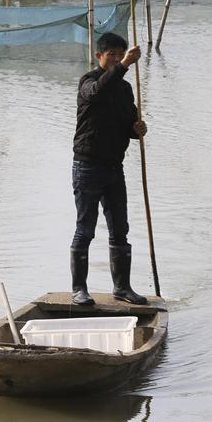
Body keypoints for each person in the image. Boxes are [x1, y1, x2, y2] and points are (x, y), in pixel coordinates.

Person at [70, 32, 148, 306]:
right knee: (85, 230)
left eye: (120, 54)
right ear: (98, 56)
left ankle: (122, 288)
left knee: (120, 229)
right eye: (111, 54)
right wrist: (124, 65)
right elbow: (98, 92)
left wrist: (137, 130)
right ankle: (79, 288)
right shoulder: (88, 82)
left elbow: (128, 125)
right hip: (87, 166)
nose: (116, 59)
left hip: (114, 167)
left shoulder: (125, 89)